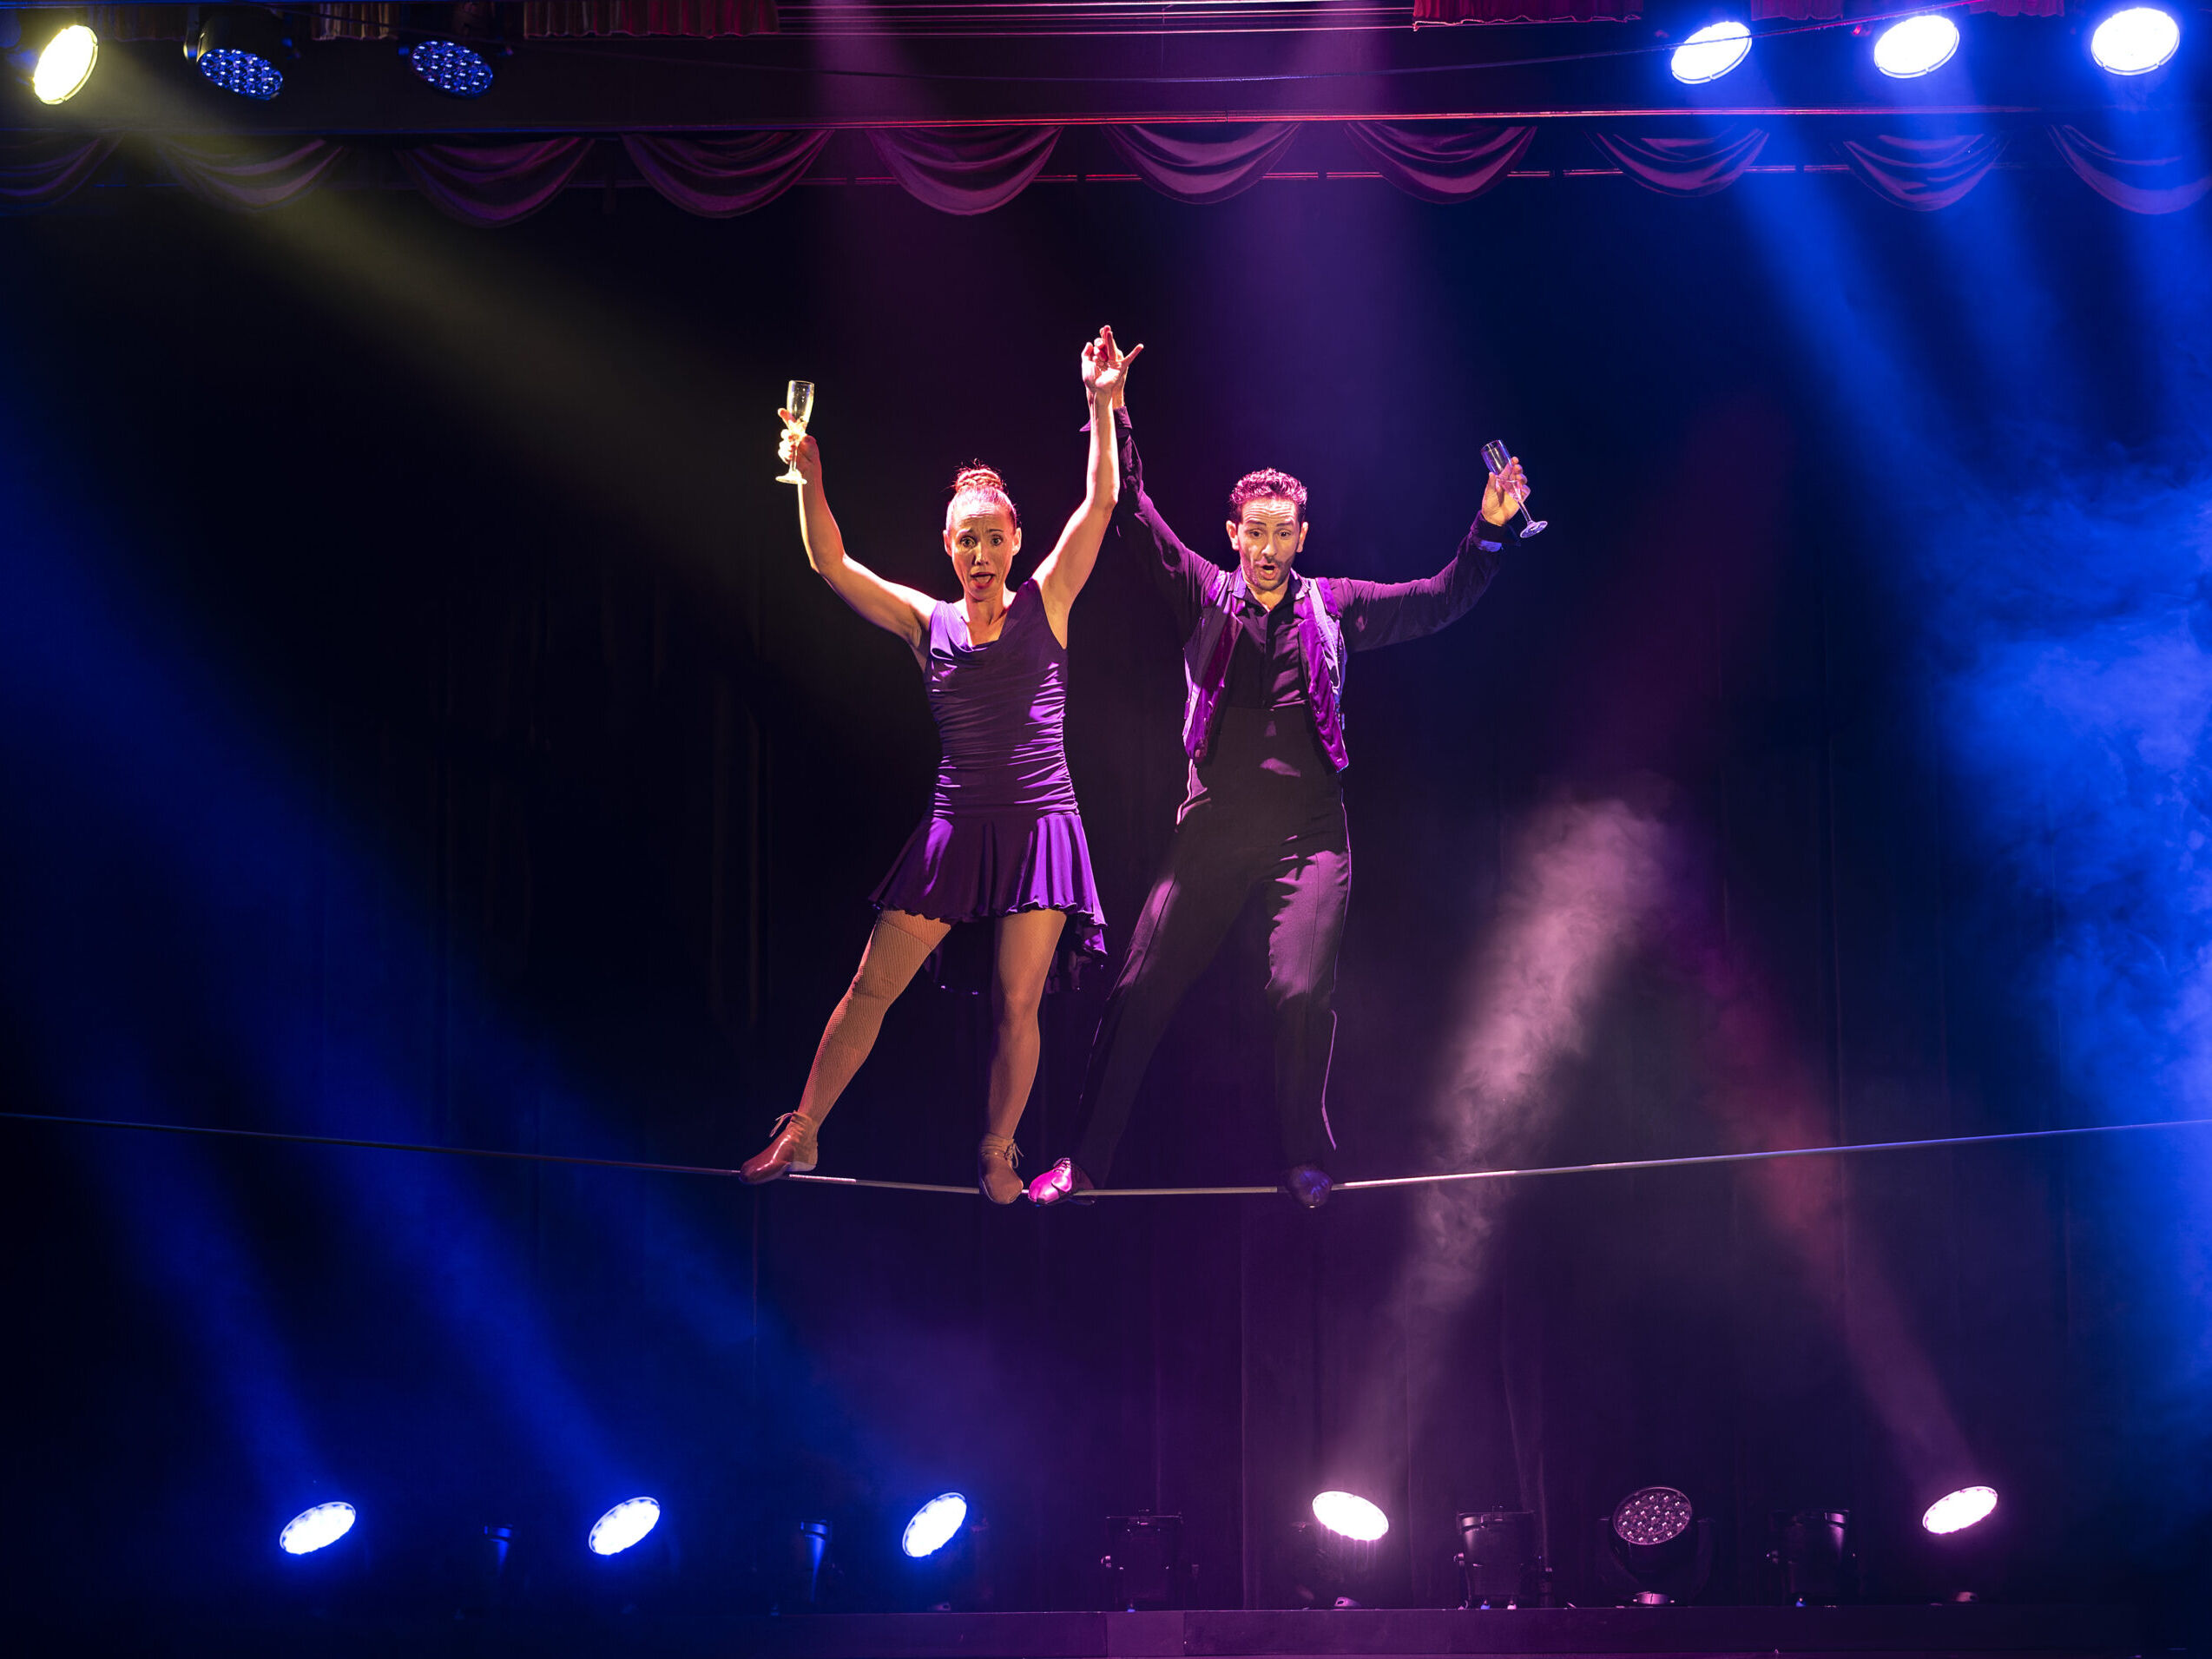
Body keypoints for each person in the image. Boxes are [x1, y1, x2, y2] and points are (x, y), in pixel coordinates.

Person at [1028, 342, 1531, 1209]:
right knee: (1140, 988)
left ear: (1302, 536)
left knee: (1299, 991)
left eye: (1280, 533)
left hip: (1308, 837)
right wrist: (1109, 408)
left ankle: (1306, 1156)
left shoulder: (1334, 607)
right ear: (1233, 537)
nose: (1265, 547)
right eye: (1251, 533)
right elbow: (1132, 512)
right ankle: (1085, 1161)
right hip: (1212, 830)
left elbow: (1440, 595)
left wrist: (1489, 529)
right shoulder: (1200, 591)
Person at [741, 328, 1141, 1202]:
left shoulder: (1050, 599)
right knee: (871, 983)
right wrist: (809, 482)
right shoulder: (928, 624)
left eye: (993, 539)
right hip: (955, 827)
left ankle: (998, 1151)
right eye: (966, 541)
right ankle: (803, 1128)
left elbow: (1102, 504)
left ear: (1014, 540)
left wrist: (1101, 407)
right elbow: (829, 563)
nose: (981, 555)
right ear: (948, 546)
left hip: (1040, 826)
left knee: (1015, 1004)